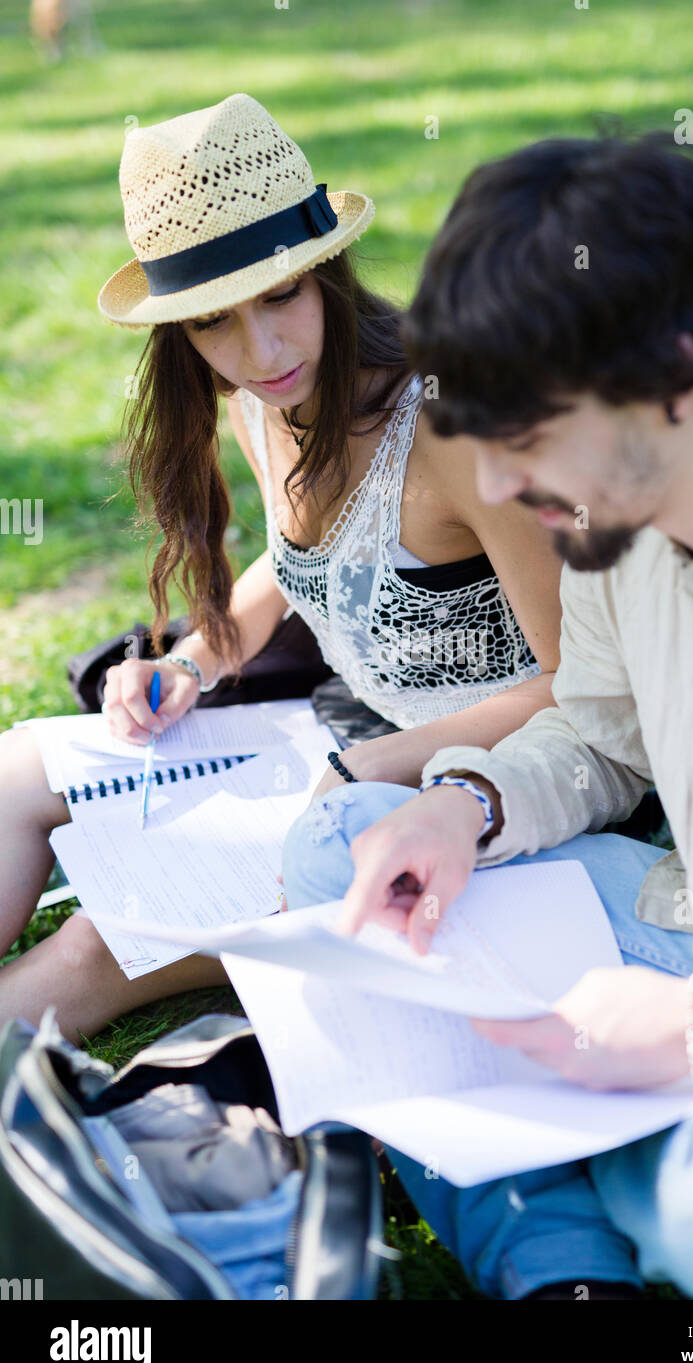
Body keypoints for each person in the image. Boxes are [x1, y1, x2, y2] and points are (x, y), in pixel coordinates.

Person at [280, 131, 693, 1300]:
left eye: (527, 440)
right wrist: (465, 805)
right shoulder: (605, 523)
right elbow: (597, 733)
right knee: (343, 854)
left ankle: (600, 1207)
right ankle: (580, 1254)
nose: (494, 492)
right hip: (691, 926)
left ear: (677, 373)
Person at [0, 94, 564, 1040]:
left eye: (281, 297)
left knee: (98, 946)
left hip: (480, 783)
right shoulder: (263, 398)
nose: (260, 351)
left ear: (327, 273)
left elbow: (576, 688)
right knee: (16, 765)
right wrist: (194, 659)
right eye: (215, 321)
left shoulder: (453, 429)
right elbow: (302, 561)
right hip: (343, 739)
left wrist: (370, 764)